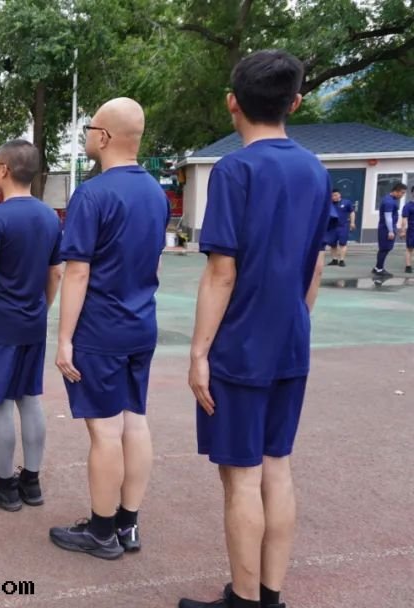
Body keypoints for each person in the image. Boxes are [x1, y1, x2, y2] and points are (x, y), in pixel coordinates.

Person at [180, 50, 330, 608]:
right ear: (296, 102)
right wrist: (295, 319)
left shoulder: (235, 170)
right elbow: (315, 265)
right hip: (290, 338)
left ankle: (243, 599)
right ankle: (270, 595)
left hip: (240, 346)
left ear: (232, 103)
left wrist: (199, 352)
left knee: (241, 476)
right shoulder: (315, 170)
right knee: (277, 466)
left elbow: (222, 271)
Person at [46, 98, 168, 561]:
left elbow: (77, 272)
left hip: (100, 328)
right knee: (134, 419)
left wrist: (64, 339)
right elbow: (154, 261)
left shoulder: (92, 194)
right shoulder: (155, 193)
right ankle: (127, 522)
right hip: (141, 323)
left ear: (105, 136)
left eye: (89, 127)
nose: (86, 135)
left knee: (104, 431)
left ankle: (100, 531)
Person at [0, 140, 63, 511]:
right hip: (32, 323)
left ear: (3, 169)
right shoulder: (50, 217)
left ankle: (4, 485)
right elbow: (55, 273)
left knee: (0, 402)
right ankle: (31, 482)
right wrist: (42, 307)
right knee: (29, 398)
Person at [372, 182, 405, 281]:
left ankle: (377, 267)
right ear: (396, 191)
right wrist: (390, 231)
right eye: (402, 193)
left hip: (386, 227)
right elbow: (388, 217)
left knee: (384, 248)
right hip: (386, 229)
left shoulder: (389, 199)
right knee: (385, 249)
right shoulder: (389, 202)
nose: (402, 195)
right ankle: (379, 269)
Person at [326, 190, 355, 267]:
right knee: (332, 244)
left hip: (343, 226)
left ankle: (342, 260)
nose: (334, 197)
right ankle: (334, 259)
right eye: (332, 196)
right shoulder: (329, 203)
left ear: (339, 195)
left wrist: (352, 223)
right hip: (331, 227)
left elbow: (352, 212)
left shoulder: (346, 202)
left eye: (335, 195)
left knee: (342, 243)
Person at [403, 193, 414, 273]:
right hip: (412, 231)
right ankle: (408, 266)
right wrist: (403, 231)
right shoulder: (408, 206)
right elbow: (404, 219)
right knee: (409, 248)